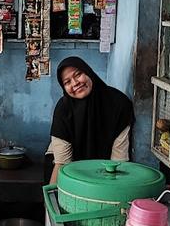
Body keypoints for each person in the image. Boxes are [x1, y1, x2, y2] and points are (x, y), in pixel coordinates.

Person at [44, 56, 135, 184]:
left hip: (106, 166)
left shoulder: (118, 104)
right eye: (67, 82)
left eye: (78, 74)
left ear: (88, 72)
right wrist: (51, 200)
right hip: (63, 163)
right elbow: (62, 164)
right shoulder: (64, 109)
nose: (75, 83)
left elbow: (118, 161)